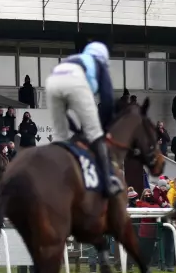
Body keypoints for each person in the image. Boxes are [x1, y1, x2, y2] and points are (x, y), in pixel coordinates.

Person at [44, 41, 121, 201]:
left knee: (60, 138)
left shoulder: (73, 58)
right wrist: (103, 129)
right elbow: (108, 101)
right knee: (96, 135)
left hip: (52, 80)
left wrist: (77, 130)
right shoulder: (99, 63)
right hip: (75, 79)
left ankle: (54, 180)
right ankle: (108, 185)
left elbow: (68, 114)